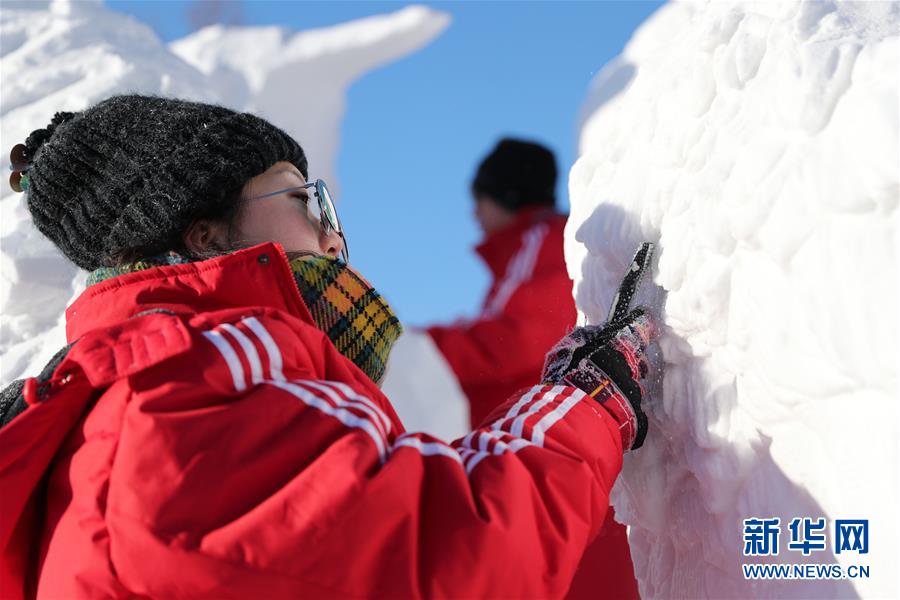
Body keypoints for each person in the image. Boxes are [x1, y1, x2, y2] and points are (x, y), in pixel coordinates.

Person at [0, 95, 658, 599]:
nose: (335, 237)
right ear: (202, 235)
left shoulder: (170, 387)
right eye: (304, 199)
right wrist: (588, 400)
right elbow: (450, 556)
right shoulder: (185, 394)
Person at [426, 138, 641, 599]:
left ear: (504, 197)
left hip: (559, 453)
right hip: (576, 456)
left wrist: (421, 348)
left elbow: (517, 336)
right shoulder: (538, 249)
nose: (474, 215)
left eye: (479, 199)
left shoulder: (538, 242)